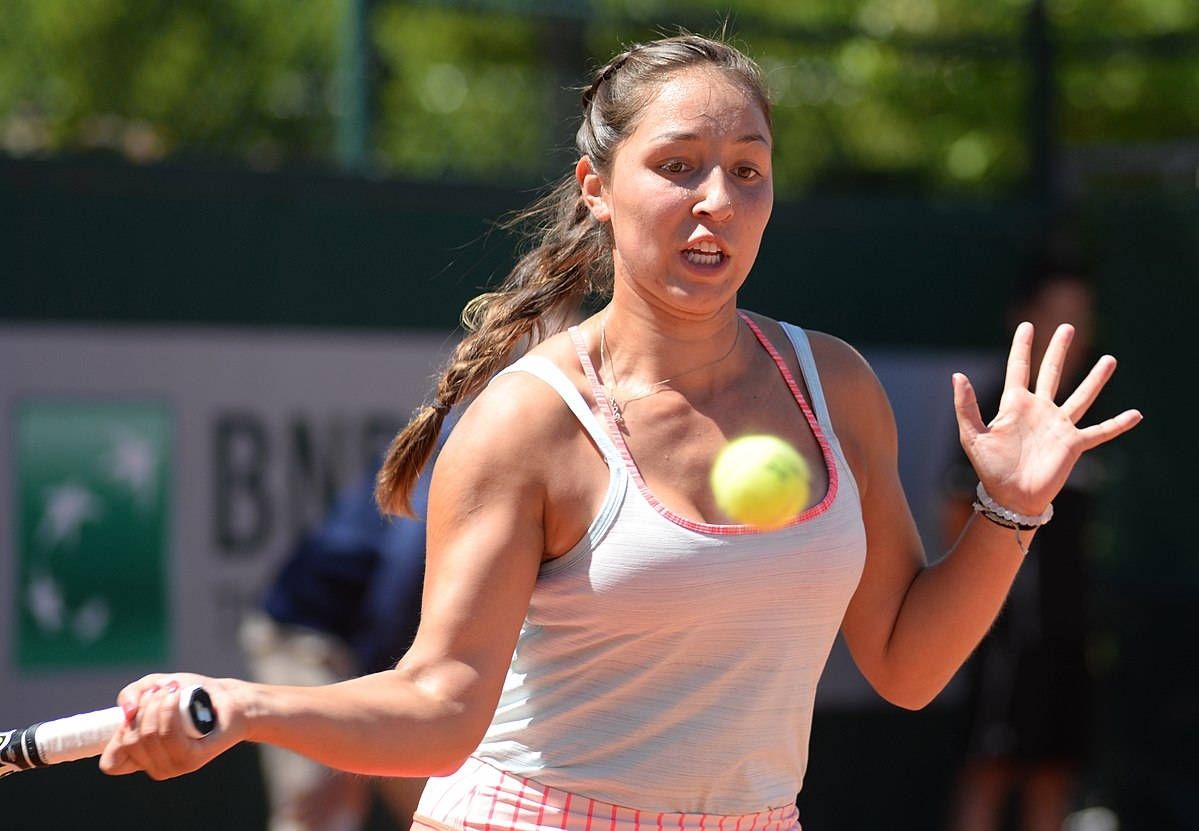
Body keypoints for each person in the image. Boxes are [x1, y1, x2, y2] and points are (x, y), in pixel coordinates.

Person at [98, 33, 1141, 830]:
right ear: (596, 189)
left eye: (746, 169)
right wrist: (244, 707)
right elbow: (438, 700)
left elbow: (908, 666)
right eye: (677, 166)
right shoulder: (523, 427)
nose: (715, 202)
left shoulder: (836, 387)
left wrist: (1010, 508)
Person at [945, 237, 1107, 831]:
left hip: (1070, 636)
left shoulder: (1097, 412)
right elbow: (952, 516)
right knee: (988, 771)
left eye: (1082, 316)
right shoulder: (992, 405)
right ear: (1025, 319)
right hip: (1000, 637)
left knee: (1053, 776)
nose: (1073, 329)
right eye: (1057, 316)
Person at [239, 423, 453, 831]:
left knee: (437, 804)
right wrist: (383, 685)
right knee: (320, 813)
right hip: (305, 638)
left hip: (366, 649)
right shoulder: (470, 446)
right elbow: (402, 571)